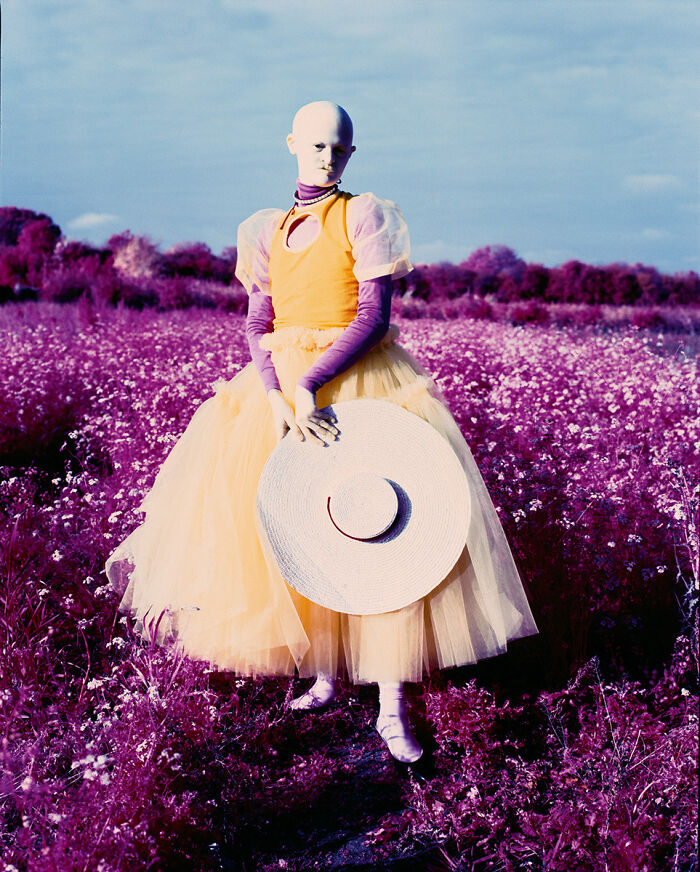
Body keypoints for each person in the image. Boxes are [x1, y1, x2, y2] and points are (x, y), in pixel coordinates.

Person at [105, 101, 538, 764]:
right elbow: (256, 326)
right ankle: (325, 672)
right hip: (281, 395)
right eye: (314, 146)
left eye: (337, 147)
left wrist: (313, 382)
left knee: (390, 535)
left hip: (360, 383)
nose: (325, 157)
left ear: (350, 154)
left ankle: (391, 705)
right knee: (300, 526)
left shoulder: (361, 215)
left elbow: (372, 316)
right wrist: (279, 393)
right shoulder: (265, 228)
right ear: (290, 146)